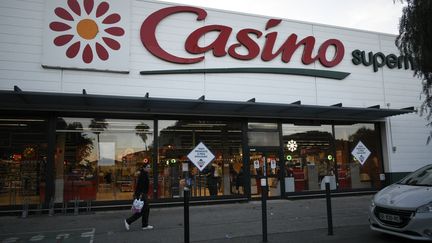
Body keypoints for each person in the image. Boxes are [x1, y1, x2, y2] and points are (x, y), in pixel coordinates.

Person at [124, 164, 153, 230]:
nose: (149, 168)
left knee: (146, 209)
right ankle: (128, 221)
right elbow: (140, 186)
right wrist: (140, 195)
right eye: (148, 167)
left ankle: (145, 225)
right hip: (142, 194)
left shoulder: (144, 174)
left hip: (143, 194)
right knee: (143, 210)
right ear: (144, 168)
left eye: (149, 167)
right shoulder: (143, 175)